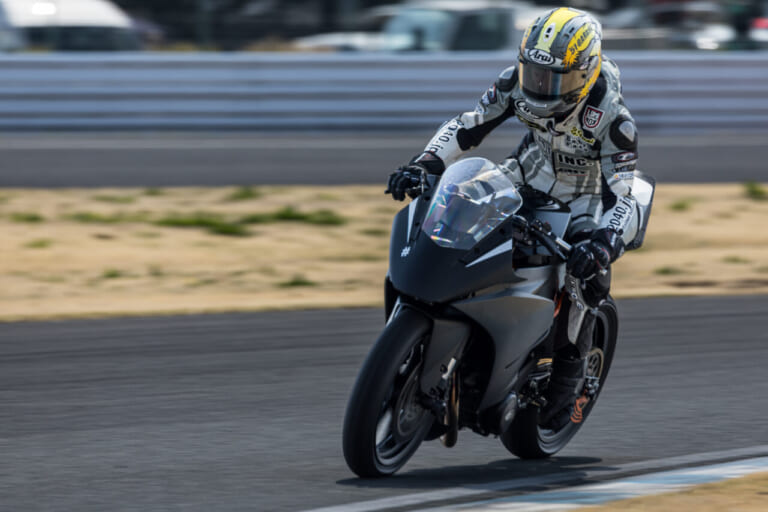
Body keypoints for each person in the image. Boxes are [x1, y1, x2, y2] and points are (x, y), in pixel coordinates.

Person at [387, 7, 642, 430]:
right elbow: (468, 126)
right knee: (456, 208)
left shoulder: (613, 120)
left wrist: (604, 241)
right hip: (524, 172)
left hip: (583, 198)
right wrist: (426, 162)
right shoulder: (513, 83)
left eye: (555, 79)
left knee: (586, 276)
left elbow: (624, 195)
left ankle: (568, 376)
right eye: (535, 74)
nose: (541, 87)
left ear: (584, 73)